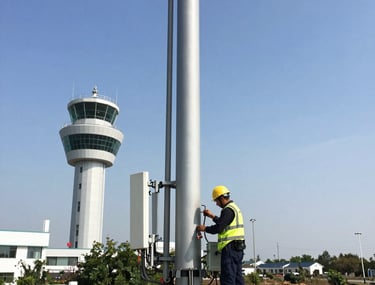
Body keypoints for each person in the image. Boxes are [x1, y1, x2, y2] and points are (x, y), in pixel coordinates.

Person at [196, 185, 246, 285]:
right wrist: (212, 216)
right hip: (237, 248)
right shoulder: (234, 208)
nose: (216, 204)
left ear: (222, 198)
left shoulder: (227, 210)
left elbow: (219, 228)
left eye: (216, 201)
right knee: (237, 278)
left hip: (230, 249)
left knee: (228, 279)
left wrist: (204, 228)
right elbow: (224, 223)